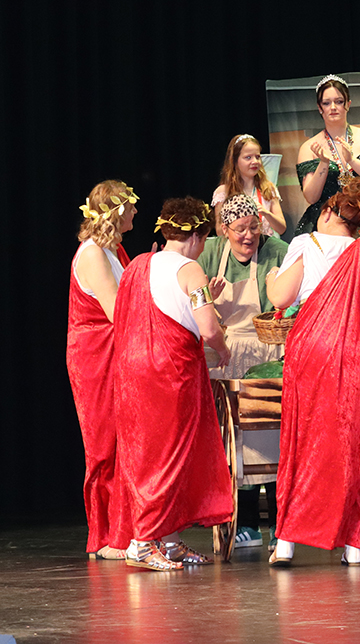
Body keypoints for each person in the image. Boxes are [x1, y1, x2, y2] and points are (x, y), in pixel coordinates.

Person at [266, 179, 360, 568]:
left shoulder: (307, 243)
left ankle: (286, 543)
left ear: (326, 213)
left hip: (315, 350)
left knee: (305, 441)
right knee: (356, 444)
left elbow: (280, 298)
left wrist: (272, 277)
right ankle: (355, 545)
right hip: (359, 357)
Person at [113, 198, 234, 571]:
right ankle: (141, 543)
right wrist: (223, 349)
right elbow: (209, 327)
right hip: (171, 373)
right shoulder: (191, 270)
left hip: (134, 372)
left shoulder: (138, 265)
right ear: (196, 236)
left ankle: (168, 540)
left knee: (155, 454)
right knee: (168, 456)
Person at [197, 193, 290, 551]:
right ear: (224, 229)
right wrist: (207, 296)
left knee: (273, 438)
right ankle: (246, 523)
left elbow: (294, 296)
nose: (249, 235)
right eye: (240, 229)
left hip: (268, 349)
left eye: (254, 227)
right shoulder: (209, 253)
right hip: (226, 354)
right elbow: (191, 300)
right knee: (237, 443)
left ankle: (280, 526)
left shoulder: (276, 250)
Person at [66, 180, 138, 560]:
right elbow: (117, 312)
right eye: (131, 205)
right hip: (96, 359)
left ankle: (128, 530)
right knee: (104, 443)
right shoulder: (93, 254)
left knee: (124, 440)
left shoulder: (115, 249)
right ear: (117, 211)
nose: (136, 211)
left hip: (115, 353)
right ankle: (106, 536)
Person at [294, 74, 360, 244]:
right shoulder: (309, 147)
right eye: (326, 103)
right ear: (319, 108)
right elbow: (311, 197)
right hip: (328, 219)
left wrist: (352, 160)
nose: (333, 107)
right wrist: (323, 163)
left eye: (339, 101)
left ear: (348, 104)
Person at [212, 133, 287, 236]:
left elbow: (282, 229)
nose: (255, 161)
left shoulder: (268, 188)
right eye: (248, 157)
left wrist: (266, 213)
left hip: (264, 244)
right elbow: (220, 231)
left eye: (257, 157)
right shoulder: (224, 191)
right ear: (235, 161)